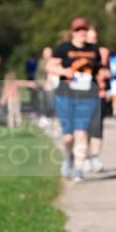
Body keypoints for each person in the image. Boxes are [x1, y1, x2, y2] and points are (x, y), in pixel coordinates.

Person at [46, 18, 101, 182]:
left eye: (84, 29)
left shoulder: (94, 50)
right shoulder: (64, 49)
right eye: (78, 30)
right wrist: (64, 71)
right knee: (68, 137)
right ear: (73, 32)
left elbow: (100, 70)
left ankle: (78, 168)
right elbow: (50, 66)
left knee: (82, 132)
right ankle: (69, 156)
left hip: (87, 96)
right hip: (65, 95)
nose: (82, 33)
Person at [86, 26, 110, 173]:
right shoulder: (78, 53)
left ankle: (95, 157)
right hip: (81, 95)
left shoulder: (102, 52)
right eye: (90, 38)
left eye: (95, 38)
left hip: (98, 93)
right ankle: (86, 158)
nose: (93, 41)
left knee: (97, 127)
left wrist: (104, 75)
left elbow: (106, 70)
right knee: (84, 128)